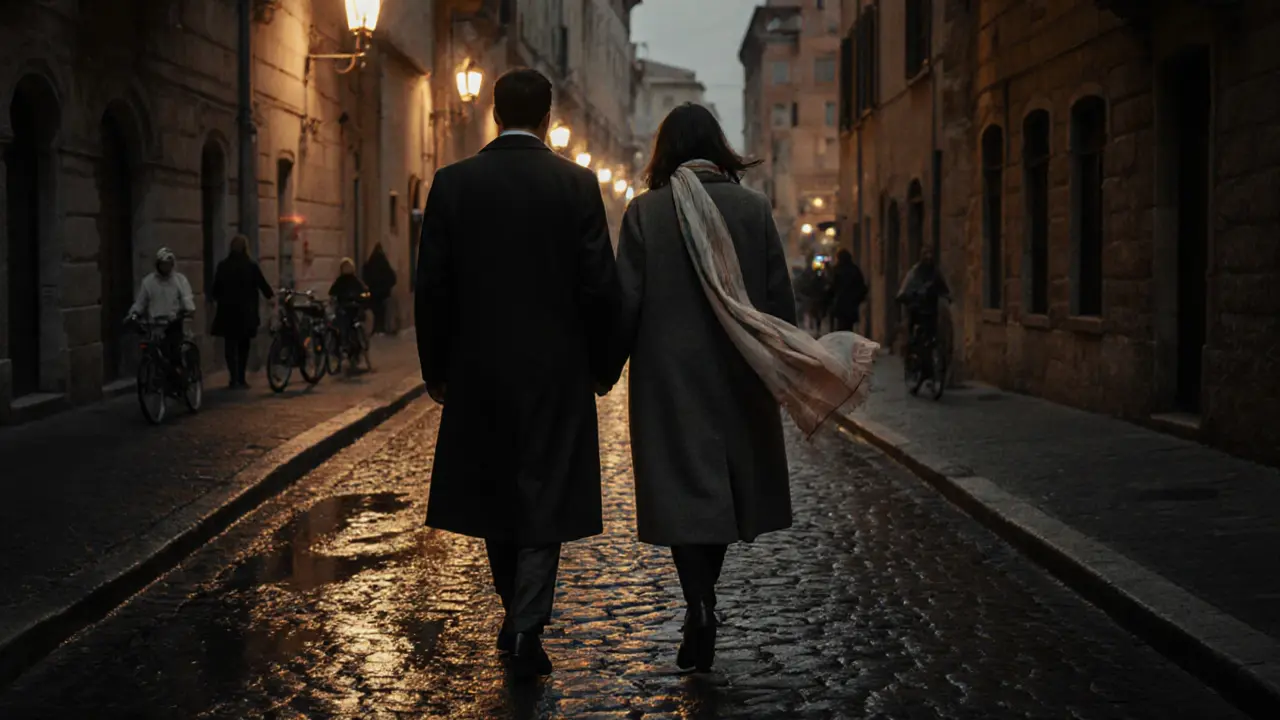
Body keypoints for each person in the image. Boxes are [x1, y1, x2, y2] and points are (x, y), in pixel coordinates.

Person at [604, 103, 876, 673]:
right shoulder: (753, 209)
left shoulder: (645, 212)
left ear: (665, 151)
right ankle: (705, 600)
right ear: (718, 147)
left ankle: (698, 603)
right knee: (727, 487)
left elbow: (625, 302)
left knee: (682, 492)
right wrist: (783, 365)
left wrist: (604, 367)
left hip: (668, 379)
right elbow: (779, 301)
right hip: (740, 369)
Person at [415, 68, 619, 680]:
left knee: (493, 490)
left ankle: (517, 611)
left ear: (496, 113)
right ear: (549, 118)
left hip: (478, 368)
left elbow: (432, 286)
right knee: (545, 493)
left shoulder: (453, 183)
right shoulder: (577, 184)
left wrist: (436, 369)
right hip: (557, 371)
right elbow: (599, 286)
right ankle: (526, 622)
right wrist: (603, 366)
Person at [211, 235, 274, 388]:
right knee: (243, 346)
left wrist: (218, 299)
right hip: (246, 312)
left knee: (230, 346)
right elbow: (262, 284)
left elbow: (215, 290)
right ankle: (241, 377)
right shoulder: (251, 266)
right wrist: (270, 297)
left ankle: (233, 378)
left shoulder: (223, 266)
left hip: (227, 312)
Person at [127, 247, 196, 373]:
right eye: (163, 264)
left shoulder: (180, 280)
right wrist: (133, 314)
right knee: (151, 349)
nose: (166, 267)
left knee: (174, 352)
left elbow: (186, 298)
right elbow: (141, 302)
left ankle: (178, 373)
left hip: (173, 322)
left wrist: (188, 309)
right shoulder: (149, 282)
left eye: (168, 264)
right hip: (155, 324)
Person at [895, 247, 951, 352]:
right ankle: (910, 342)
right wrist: (903, 295)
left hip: (931, 308)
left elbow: (943, 288)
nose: (928, 257)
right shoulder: (914, 272)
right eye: (926, 254)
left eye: (930, 254)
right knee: (910, 319)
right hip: (917, 306)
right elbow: (906, 285)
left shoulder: (935, 273)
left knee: (935, 325)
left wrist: (946, 296)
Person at [329, 257, 368, 349]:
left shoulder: (340, 281)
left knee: (341, 325)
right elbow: (364, 290)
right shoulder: (356, 280)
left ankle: (344, 343)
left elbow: (332, 292)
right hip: (355, 308)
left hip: (344, 308)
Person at [827, 249, 868, 333]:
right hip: (852, 304)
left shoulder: (837, 270)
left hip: (840, 303)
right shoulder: (854, 269)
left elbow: (832, 286)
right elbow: (861, 286)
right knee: (849, 327)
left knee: (841, 326)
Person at [362, 243, 397, 334]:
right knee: (383, 312)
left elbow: (365, 276)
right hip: (384, 293)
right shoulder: (384, 264)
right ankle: (382, 328)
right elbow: (392, 278)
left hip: (373, 293)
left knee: (375, 311)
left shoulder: (370, 263)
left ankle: (375, 329)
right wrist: (387, 287)